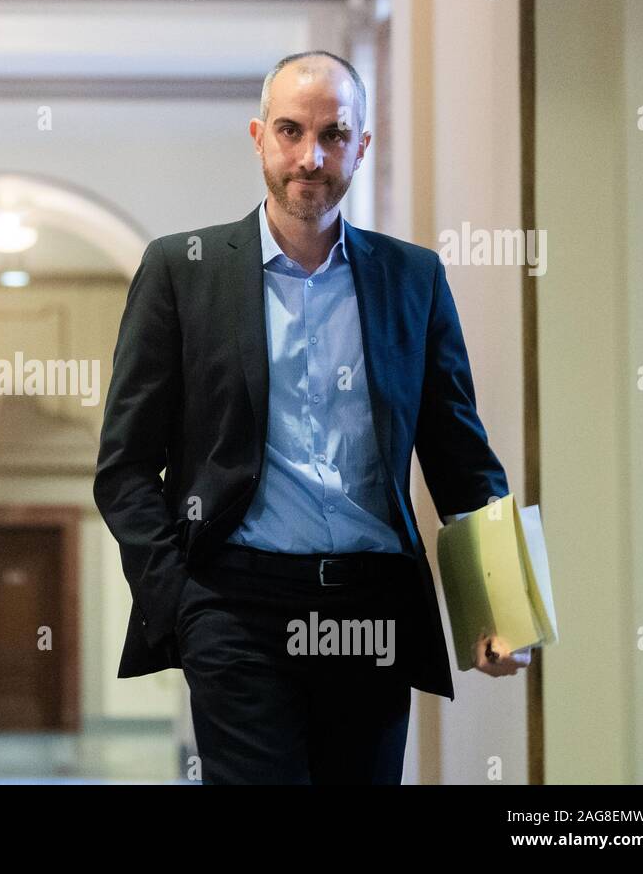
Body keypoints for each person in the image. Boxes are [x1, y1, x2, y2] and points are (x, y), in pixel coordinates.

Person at [92, 50, 529, 785]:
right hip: (236, 606)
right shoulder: (182, 270)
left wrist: (504, 605)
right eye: (292, 131)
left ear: (362, 146)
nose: (311, 156)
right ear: (259, 137)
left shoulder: (412, 278)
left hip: (371, 604)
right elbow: (126, 465)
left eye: (334, 134)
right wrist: (180, 600)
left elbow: (460, 454)